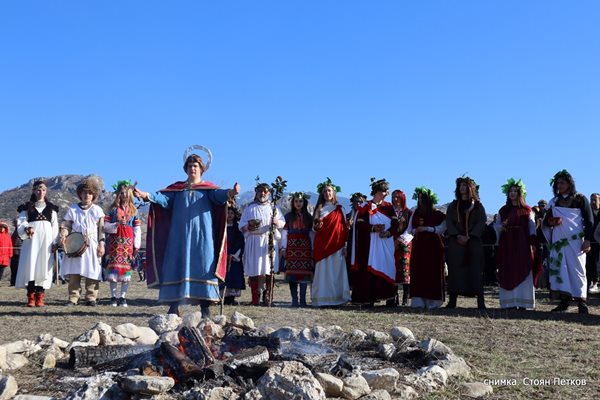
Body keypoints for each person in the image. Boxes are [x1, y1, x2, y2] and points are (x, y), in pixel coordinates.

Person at [134, 146, 240, 318]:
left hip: (202, 237)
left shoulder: (208, 190)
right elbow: (162, 198)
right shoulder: (177, 190)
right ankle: (174, 306)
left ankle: (205, 307)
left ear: (201, 169)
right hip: (179, 236)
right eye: (190, 165)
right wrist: (146, 195)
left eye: (196, 165)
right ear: (186, 169)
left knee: (204, 266)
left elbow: (220, 196)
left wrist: (231, 192)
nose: (192, 168)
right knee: (177, 265)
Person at [543, 170, 593, 314]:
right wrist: (551, 221)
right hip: (559, 240)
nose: (559, 185)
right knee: (561, 268)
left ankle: (581, 302)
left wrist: (588, 240)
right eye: (557, 183)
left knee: (578, 269)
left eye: (562, 182)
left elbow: (589, 220)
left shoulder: (580, 198)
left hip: (576, 240)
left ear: (569, 183)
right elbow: (546, 221)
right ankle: (564, 302)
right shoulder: (554, 201)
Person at [350, 178, 398, 306]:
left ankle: (389, 297)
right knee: (369, 271)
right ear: (377, 191)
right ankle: (369, 298)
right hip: (370, 243)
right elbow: (359, 225)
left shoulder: (389, 207)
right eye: (384, 191)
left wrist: (388, 232)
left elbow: (395, 224)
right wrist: (373, 228)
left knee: (387, 266)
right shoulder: (365, 206)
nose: (387, 193)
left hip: (385, 242)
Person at [60, 176, 106, 306]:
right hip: (75, 242)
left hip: (92, 242)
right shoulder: (73, 208)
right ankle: (73, 298)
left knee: (92, 270)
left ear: (94, 195)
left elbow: (101, 229)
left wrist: (101, 244)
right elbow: (66, 225)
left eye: (90, 193)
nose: (87, 195)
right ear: (80, 193)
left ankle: (91, 297)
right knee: (74, 271)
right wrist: (64, 234)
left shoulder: (97, 210)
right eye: (85, 192)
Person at [494, 179, 538, 309]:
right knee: (508, 268)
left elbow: (532, 227)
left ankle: (523, 302)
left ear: (520, 193)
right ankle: (510, 302)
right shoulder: (503, 210)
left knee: (523, 267)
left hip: (522, 243)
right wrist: (501, 226)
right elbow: (496, 226)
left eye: (515, 191)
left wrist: (533, 242)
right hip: (507, 243)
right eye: (510, 191)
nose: (512, 193)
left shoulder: (527, 210)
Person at [15, 179, 60, 306]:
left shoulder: (52, 208)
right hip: (31, 242)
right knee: (31, 266)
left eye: (44, 189)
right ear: (34, 191)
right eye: (38, 189)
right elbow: (22, 222)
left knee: (43, 267)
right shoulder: (27, 207)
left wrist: (55, 243)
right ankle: (30, 296)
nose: (41, 192)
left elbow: (54, 227)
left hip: (46, 243)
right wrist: (26, 228)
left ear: (46, 191)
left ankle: (40, 296)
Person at [239, 182, 285, 306]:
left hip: (268, 241)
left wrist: (276, 222)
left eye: (265, 191)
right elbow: (241, 224)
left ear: (269, 193)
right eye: (260, 191)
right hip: (254, 241)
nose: (262, 193)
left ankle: (268, 297)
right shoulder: (250, 208)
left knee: (269, 269)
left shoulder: (273, 207)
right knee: (255, 269)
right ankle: (255, 298)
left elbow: (282, 222)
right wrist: (248, 226)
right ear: (256, 193)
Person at [445, 176, 487, 309]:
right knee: (455, 270)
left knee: (475, 270)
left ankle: (480, 301)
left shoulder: (478, 206)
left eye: (465, 185)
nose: (462, 188)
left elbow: (482, 222)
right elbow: (449, 221)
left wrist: (470, 236)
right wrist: (457, 235)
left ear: (471, 188)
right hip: (456, 242)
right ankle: (452, 301)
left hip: (473, 242)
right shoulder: (453, 205)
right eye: (460, 185)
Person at [400, 187, 446, 309]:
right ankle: (419, 301)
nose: (420, 201)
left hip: (434, 247)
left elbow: (442, 228)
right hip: (419, 246)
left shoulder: (438, 214)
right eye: (419, 199)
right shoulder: (415, 213)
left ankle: (433, 301)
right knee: (419, 272)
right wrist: (405, 237)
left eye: (422, 199)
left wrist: (427, 229)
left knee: (432, 272)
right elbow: (410, 229)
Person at [311, 179, 350, 307]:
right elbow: (313, 228)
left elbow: (344, 228)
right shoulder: (319, 209)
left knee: (336, 272)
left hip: (337, 245)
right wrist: (317, 226)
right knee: (323, 272)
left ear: (333, 193)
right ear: (322, 194)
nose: (327, 193)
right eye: (325, 191)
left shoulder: (340, 209)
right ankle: (322, 299)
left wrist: (345, 245)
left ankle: (337, 299)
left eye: (329, 191)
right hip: (322, 245)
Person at [103, 180, 142, 307]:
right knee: (114, 270)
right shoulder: (113, 210)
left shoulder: (134, 211)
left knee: (126, 271)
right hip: (114, 244)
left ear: (130, 194)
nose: (123, 195)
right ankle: (113, 297)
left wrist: (136, 245)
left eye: (125, 193)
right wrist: (116, 224)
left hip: (128, 245)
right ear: (118, 194)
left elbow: (137, 229)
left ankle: (123, 297)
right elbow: (105, 227)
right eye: (121, 193)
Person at [281, 192, 314, 307]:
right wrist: (284, 247)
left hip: (305, 248)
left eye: (300, 201)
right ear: (293, 202)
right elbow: (284, 233)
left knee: (304, 274)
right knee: (292, 274)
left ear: (304, 202)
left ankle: (303, 300)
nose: (298, 203)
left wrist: (312, 249)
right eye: (296, 201)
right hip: (292, 247)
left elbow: (311, 234)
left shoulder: (309, 217)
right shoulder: (288, 216)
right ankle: (294, 300)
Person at [391, 189, 412, 306]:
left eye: (397, 197)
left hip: (405, 243)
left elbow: (411, 229)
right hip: (392, 242)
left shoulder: (408, 212)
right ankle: (394, 298)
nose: (395, 199)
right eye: (393, 197)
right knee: (393, 268)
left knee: (405, 269)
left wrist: (401, 240)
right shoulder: (390, 212)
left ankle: (405, 298)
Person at [222, 203, 246, 305]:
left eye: (232, 213)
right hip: (223, 256)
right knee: (224, 276)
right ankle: (222, 297)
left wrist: (233, 255)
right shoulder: (221, 228)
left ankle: (231, 298)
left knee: (233, 276)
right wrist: (223, 254)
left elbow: (240, 242)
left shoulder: (238, 229)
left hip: (234, 257)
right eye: (228, 212)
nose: (230, 215)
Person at [586, 193, 600, 294]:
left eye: (595, 199)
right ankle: (592, 282)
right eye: (591, 200)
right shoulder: (588, 213)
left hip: (599, 242)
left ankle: (596, 283)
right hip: (590, 242)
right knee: (590, 263)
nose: (593, 202)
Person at [10, 218, 22, 286]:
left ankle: (16, 282)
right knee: (13, 267)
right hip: (14, 252)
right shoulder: (16, 230)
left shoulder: (20, 231)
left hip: (19, 252)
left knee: (17, 268)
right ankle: (13, 282)